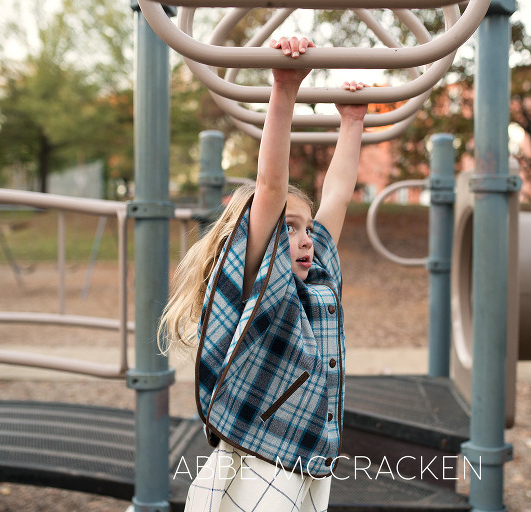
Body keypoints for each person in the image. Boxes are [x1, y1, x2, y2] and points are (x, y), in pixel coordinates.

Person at [159, 35, 368, 512]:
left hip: (310, 453)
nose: (304, 238)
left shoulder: (315, 280)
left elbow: (335, 196)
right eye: (289, 228)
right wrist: (285, 88)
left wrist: (352, 123)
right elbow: (270, 188)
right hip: (261, 456)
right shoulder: (261, 280)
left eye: (306, 228)